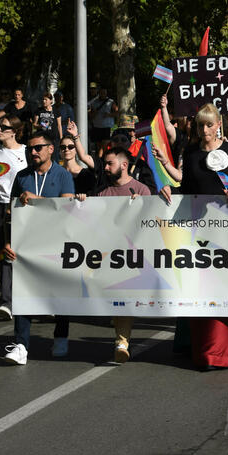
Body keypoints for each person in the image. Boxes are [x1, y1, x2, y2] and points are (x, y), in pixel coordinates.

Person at [158, 104, 228, 369]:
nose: (204, 130)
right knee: (201, 287)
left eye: (209, 125)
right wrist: (169, 188)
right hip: (199, 232)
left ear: (218, 125)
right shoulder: (191, 153)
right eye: (200, 125)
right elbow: (188, 188)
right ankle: (206, 348)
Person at [0, 131, 76, 365]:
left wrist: (35, 201)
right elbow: (9, 213)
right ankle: (21, 344)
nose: (32, 152)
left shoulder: (63, 175)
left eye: (37, 147)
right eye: (29, 149)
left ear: (50, 149)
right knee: (24, 294)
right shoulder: (22, 176)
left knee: (60, 293)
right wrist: (7, 242)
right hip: (27, 246)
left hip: (57, 244)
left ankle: (61, 335)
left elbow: (69, 209)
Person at [90, 147, 151, 363]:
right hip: (111, 257)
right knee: (120, 299)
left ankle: (122, 341)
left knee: (124, 299)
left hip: (137, 257)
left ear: (124, 165)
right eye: (104, 164)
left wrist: (142, 207)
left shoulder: (141, 189)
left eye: (110, 163)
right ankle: (121, 341)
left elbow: (152, 224)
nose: (105, 168)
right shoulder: (102, 193)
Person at [0, 116, 28, 320]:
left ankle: (26, 295)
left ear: (14, 131)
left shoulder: (26, 151)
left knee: (22, 254)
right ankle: (7, 300)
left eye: (4, 127)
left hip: (20, 206)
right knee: (0, 252)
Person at [59, 119, 98, 195]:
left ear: (76, 150)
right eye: (63, 147)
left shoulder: (87, 175)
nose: (66, 149)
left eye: (70, 147)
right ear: (59, 151)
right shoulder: (55, 173)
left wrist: (75, 135)